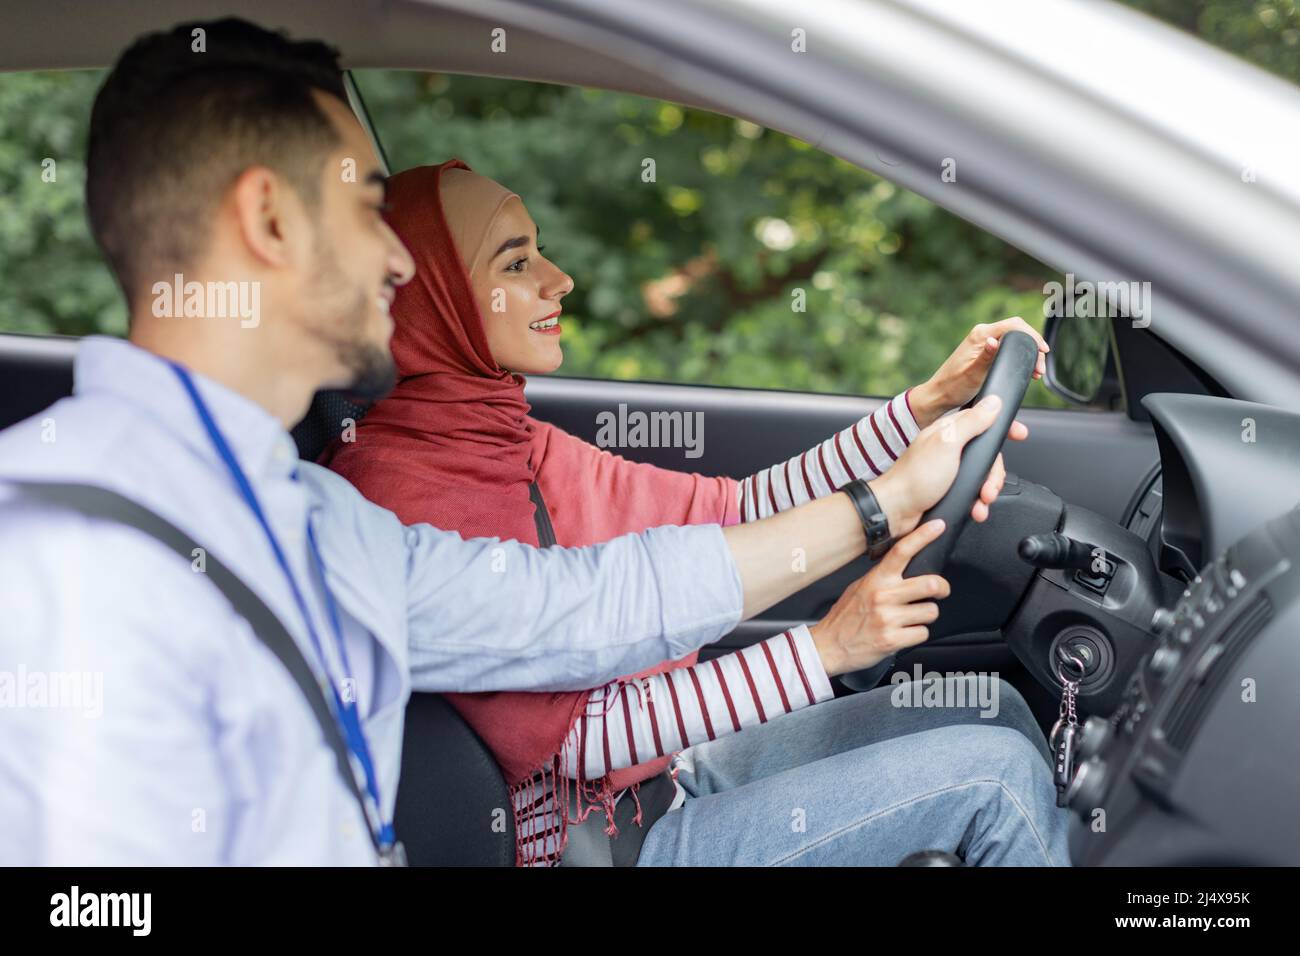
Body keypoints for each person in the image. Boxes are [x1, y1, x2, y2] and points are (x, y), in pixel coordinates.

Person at [0, 18, 1021, 865]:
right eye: (367, 209)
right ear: (268, 220)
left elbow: (591, 604)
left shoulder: (320, 521)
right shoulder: (62, 565)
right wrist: (835, 621)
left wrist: (884, 495)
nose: (397, 258)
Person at [321, 160, 1069, 866]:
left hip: (653, 786)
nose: (559, 279)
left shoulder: (503, 435)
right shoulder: (398, 495)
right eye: (516, 265)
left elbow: (733, 511)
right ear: (435, 298)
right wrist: (826, 647)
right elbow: (579, 741)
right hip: (603, 847)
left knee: (990, 707)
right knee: (995, 778)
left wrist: (920, 408)